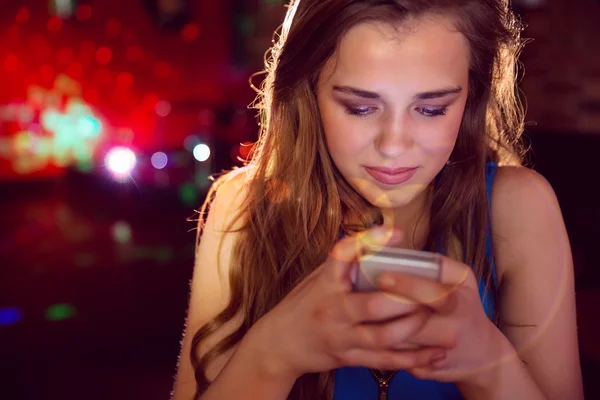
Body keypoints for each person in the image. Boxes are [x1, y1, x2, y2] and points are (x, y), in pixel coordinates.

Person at [171, 0, 584, 399]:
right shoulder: (243, 208)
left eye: (432, 109)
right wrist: (274, 354)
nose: (393, 145)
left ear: (471, 99)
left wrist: (488, 363)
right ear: (308, 92)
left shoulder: (517, 208)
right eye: (360, 107)